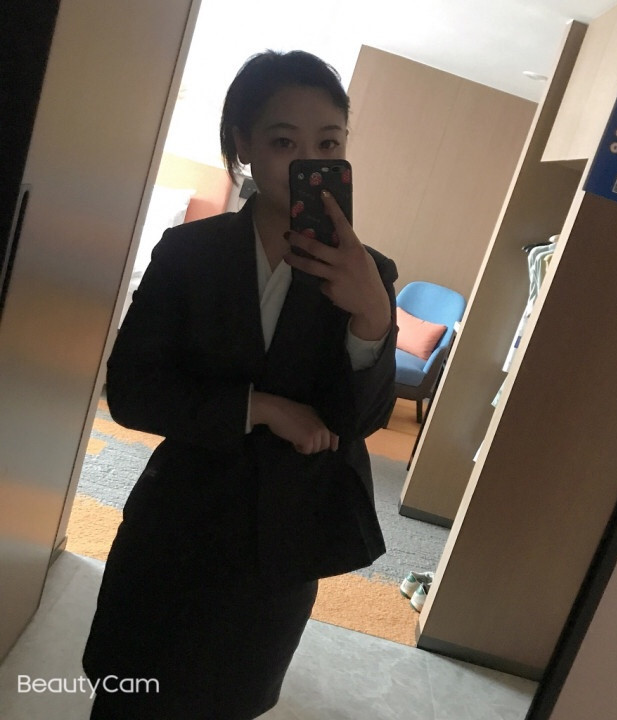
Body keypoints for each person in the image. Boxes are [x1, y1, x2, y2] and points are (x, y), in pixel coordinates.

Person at [82, 50, 398, 719]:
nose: (307, 160)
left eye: (328, 144)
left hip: (284, 541)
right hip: (176, 524)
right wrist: (261, 408)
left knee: (229, 698)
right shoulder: (188, 254)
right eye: (284, 142)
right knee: (129, 692)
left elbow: (360, 422)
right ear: (243, 146)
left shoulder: (368, 272)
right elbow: (132, 391)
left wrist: (372, 316)